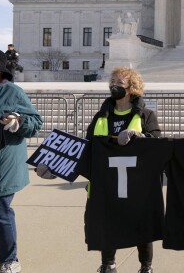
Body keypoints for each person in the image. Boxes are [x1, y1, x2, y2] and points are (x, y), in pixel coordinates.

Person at [39, 67, 161, 273]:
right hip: (105, 183)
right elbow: (86, 150)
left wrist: (140, 138)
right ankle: (108, 265)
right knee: (106, 224)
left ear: (132, 88)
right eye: (112, 83)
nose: (114, 87)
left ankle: (145, 267)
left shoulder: (147, 115)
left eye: (119, 84)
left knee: (141, 225)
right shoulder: (101, 116)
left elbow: (157, 144)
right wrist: (57, 168)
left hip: (135, 183)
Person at [0, 48, 43, 273]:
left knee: (0, 213)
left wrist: (18, 121)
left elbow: (35, 123)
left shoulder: (13, 92)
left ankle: (9, 260)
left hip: (2, 166)